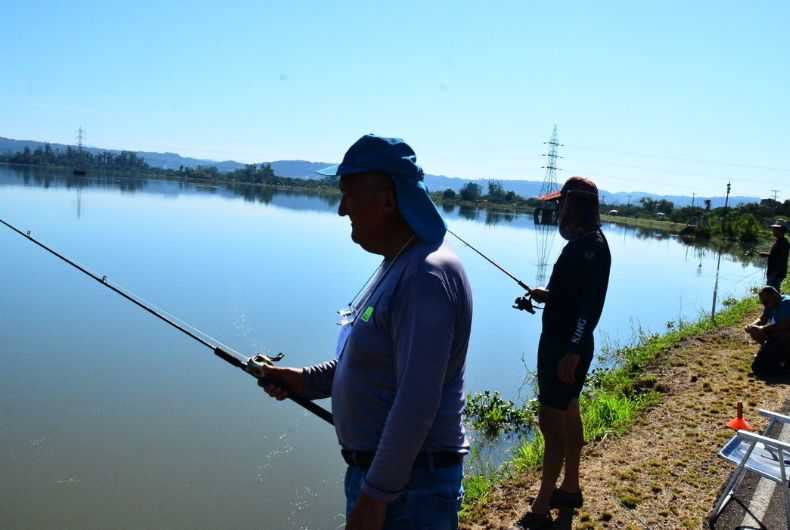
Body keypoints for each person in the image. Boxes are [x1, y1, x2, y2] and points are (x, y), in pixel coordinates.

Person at [260, 134, 473, 530]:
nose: (342, 209)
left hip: (408, 492)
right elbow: (375, 364)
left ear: (387, 200)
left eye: (348, 197)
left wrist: (374, 500)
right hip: (393, 483)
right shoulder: (401, 262)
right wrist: (302, 380)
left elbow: (416, 401)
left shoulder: (425, 276)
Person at [514, 177, 611, 530]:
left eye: (560, 204)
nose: (557, 210)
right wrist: (549, 294)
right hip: (565, 345)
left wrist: (572, 351)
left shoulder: (591, 246)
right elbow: (574, 295)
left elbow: (590, 307)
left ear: (575, 205)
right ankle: (570, 488)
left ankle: (540, 509)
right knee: (569, 412)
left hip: (564, 349)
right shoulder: (584, 244)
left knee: (550, 424)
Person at [746, 285, 790, 376]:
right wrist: (752, 326)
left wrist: (762, 328)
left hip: (785, 331)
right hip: (777, 331)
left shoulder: (786, 303)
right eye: (763, 303)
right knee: (754, 332)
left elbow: (785, 325)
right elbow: (763, 319)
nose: (765, 305)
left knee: (782, 336)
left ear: (775, 295)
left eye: (766, 302)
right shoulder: (771, 303)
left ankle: (786, 358)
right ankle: (770, 353)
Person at [759, 219, 788, 292]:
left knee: (771, 293)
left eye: (775, 229)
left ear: (780, 230)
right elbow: (777, 255)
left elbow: (781, 259)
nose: (773, 230)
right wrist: (766, 254)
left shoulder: (783, 243)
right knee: (772, 293)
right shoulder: (779, 241)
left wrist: (774, 272)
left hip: (775, 274)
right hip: (774, 273)